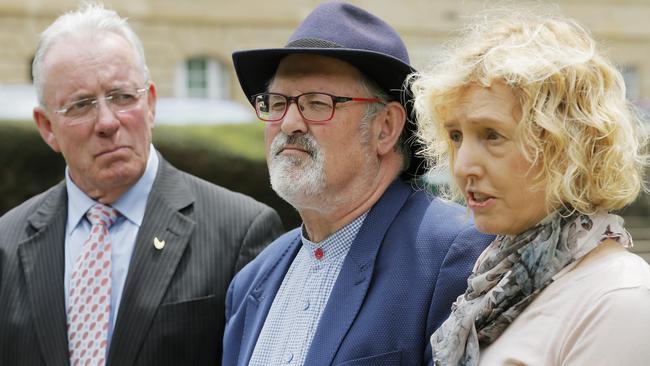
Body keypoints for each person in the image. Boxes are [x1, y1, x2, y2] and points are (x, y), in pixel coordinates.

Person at [0, 3, 283, 365]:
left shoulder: (239, 232)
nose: (106, 122)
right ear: (46, 128)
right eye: (81, 105)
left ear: (149, 103)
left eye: (122, 97)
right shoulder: (8, 244)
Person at [222, 2, 494, 365]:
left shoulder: (455, 254)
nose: (288, 123)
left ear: (385, 128)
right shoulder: (251, 281)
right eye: (275, 102)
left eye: (316, 104)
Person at [411, 10, 650, 366]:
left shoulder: (618, 297)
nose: (462, 167)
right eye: (456, 136)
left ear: (567, 147)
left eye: (492, 135)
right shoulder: (497, 274)